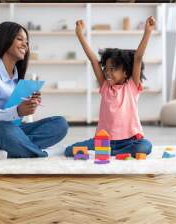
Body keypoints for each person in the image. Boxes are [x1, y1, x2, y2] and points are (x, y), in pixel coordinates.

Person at [0, 21, 68, 158]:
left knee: (60, 124)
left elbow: (14, 119)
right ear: (4, 41)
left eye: (27, 41)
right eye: (20, 39)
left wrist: (28, 106)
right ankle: (40, 153)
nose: (25, 44)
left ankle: (10, 147)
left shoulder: (16, 76)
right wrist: (17, 111)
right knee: (5, 131)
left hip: (11, 130)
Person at [64, 16, 156, 158]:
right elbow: (94, 60)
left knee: (145, 146)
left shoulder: (131, 87)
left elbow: (138, 58)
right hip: (103, 140)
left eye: (113, 69)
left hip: (129, 140)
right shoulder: (105, 86)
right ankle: (111, 152)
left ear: (125, 72)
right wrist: (79, 34)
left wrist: (148, 31)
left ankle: (110, 153)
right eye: (106, 68)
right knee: (69, 150)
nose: (107, 72)